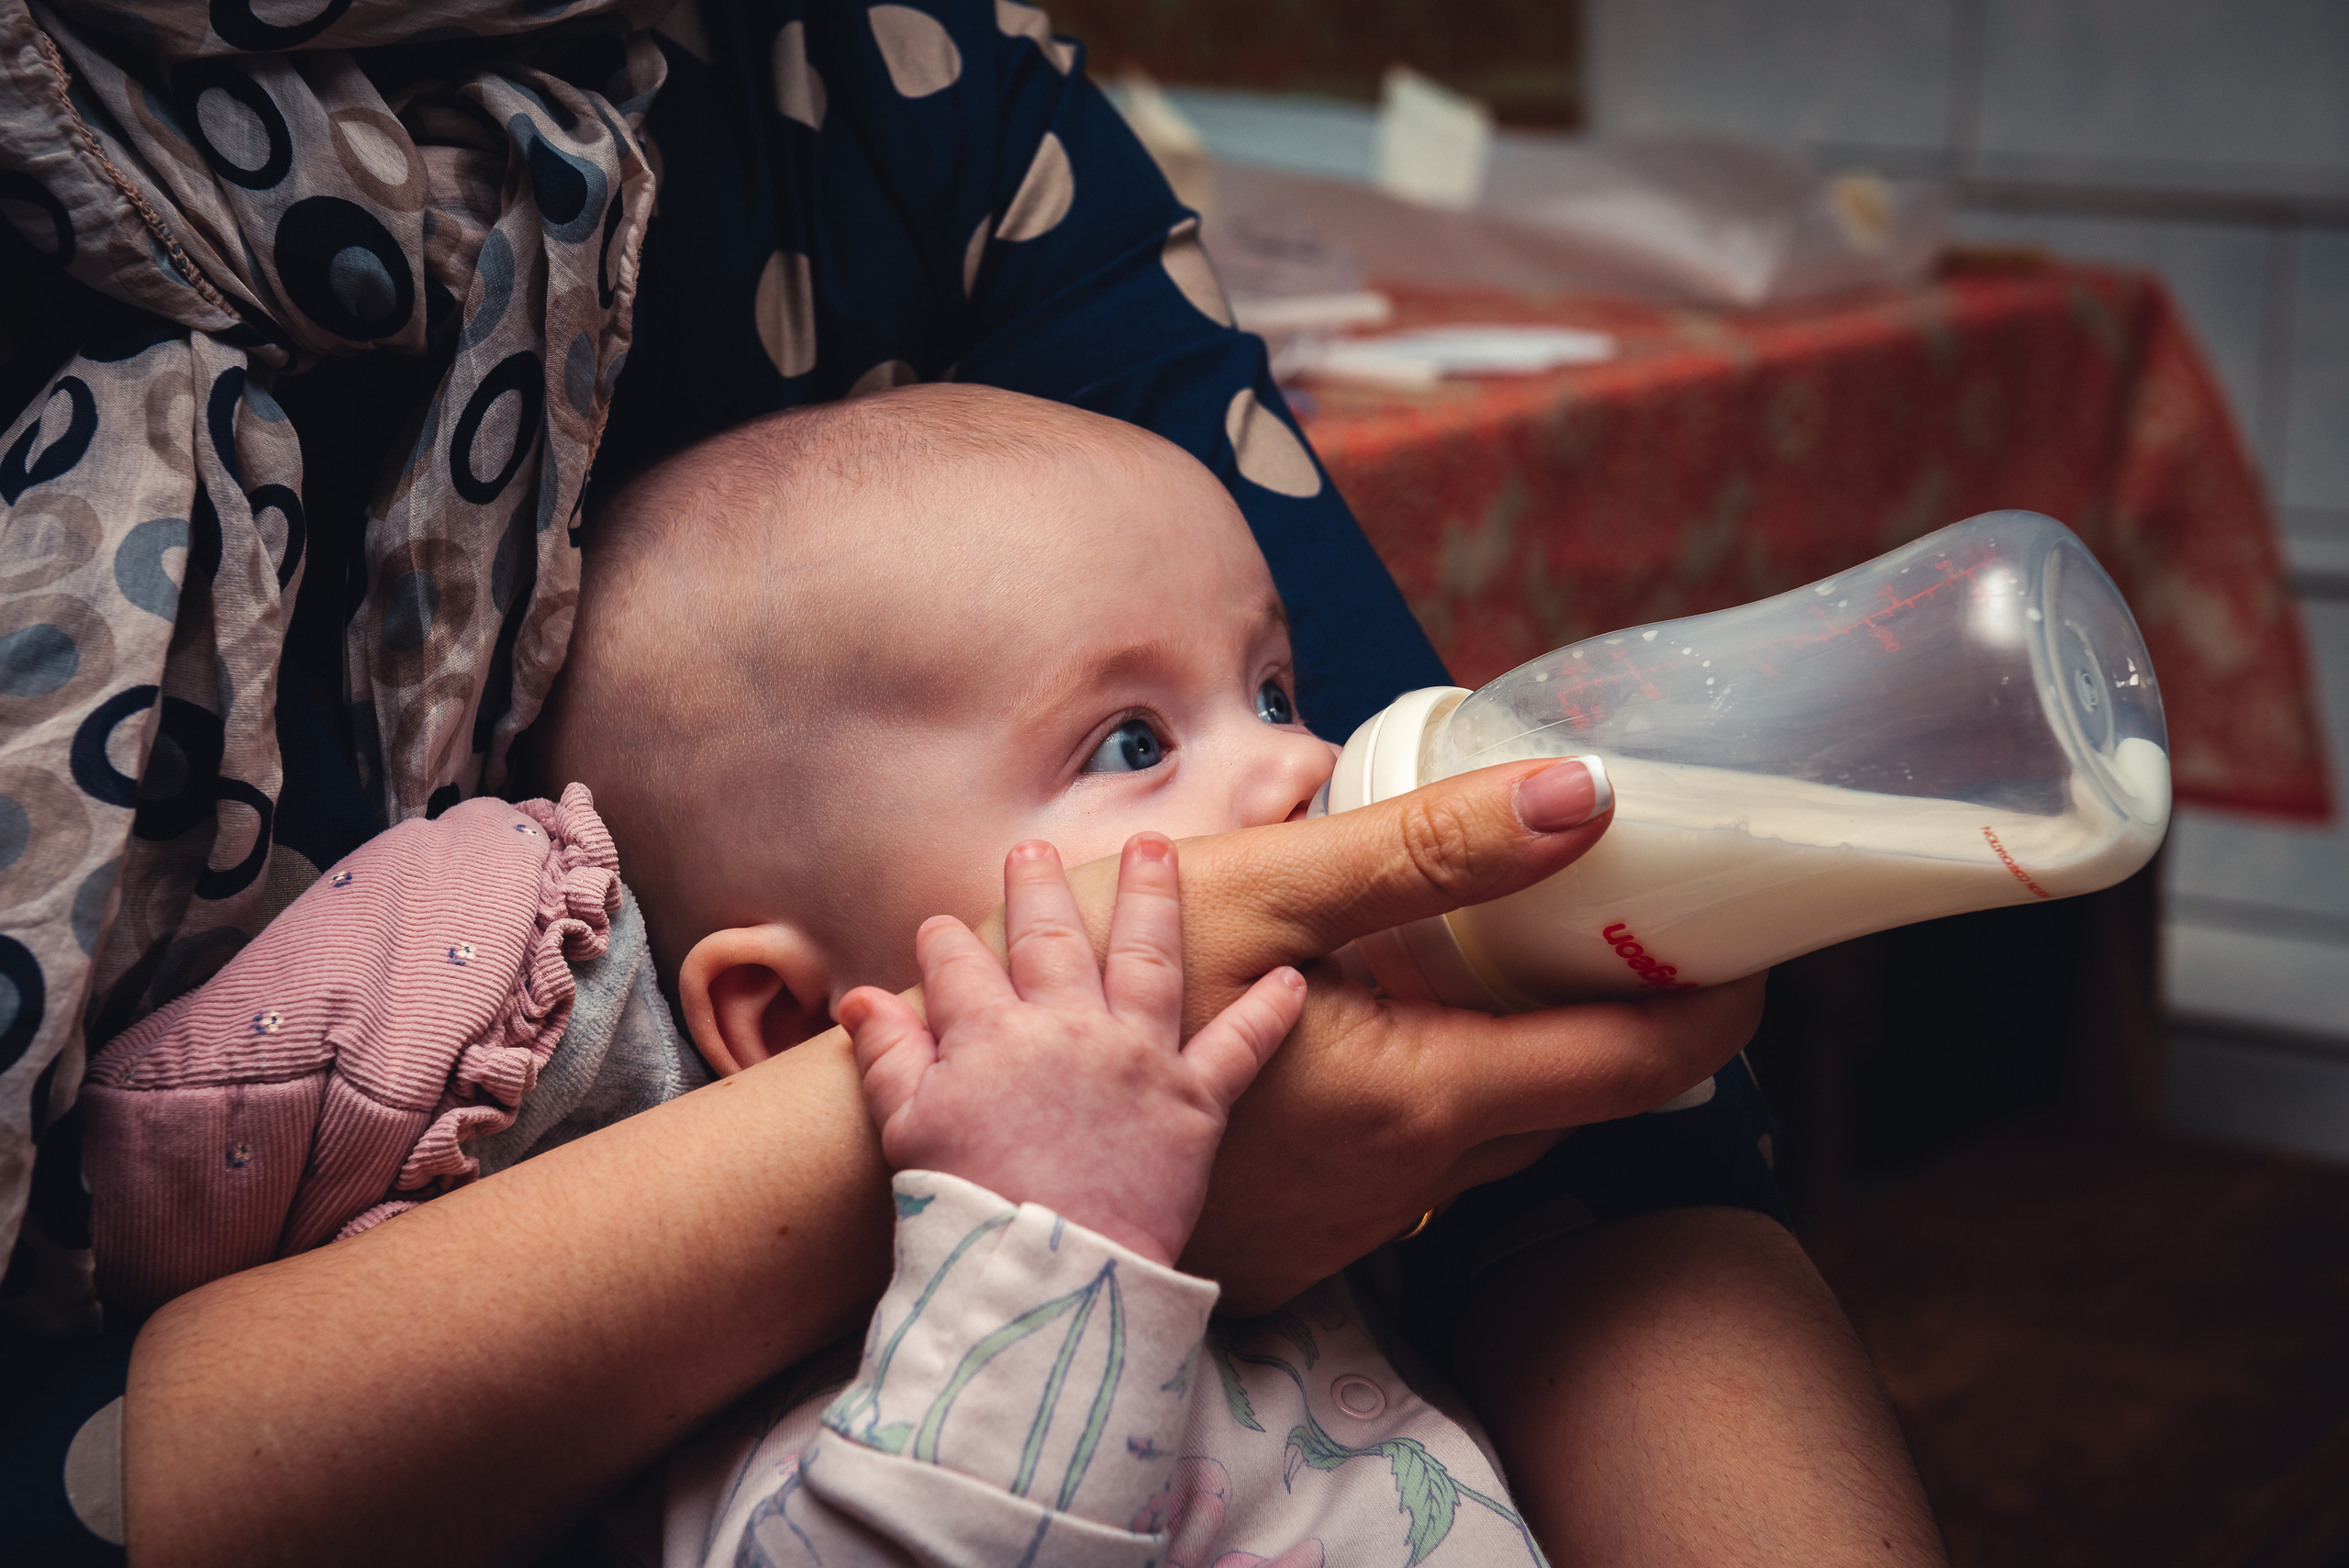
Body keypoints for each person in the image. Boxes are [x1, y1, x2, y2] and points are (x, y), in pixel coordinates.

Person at [77, 387, 1943, 1566]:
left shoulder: (1318, 1202)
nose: (1299, 773)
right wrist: (1056, 1238)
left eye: (1273, 688)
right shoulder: (831, 1413)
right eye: (1128, 742)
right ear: (797, 1026)